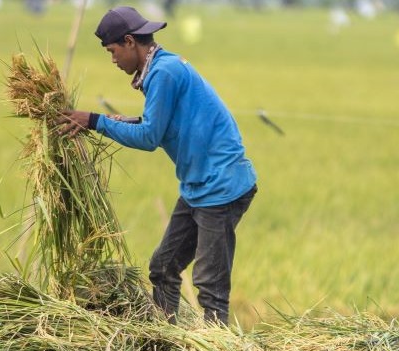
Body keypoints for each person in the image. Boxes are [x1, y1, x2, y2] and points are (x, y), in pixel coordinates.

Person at [58, 6, 257, 325]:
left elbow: (150, 137)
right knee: (162, 268)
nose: (113, 60)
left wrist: (96, 121)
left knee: (210, 288)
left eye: (112, 52)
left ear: (129, 42)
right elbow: (157, 124)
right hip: (198, 186)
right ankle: (165, 343)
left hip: (221, 187)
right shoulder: (160, 68)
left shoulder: (163, 73)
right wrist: (110, 121)